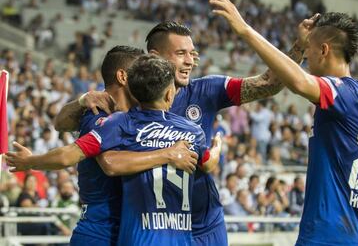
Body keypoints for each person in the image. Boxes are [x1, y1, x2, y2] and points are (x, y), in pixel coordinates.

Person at [54, 20, 305, 246]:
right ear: (155, 56)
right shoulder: (129, 99)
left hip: (205, 223)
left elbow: (268, 84)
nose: (190, 61)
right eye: (181, 53)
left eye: (192, 54)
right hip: (154, 226)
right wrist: (83, 100)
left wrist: (299, 47)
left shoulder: (206, 90)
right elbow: (62, 124)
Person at [208, 0, 358, 245]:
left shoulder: (340, 91)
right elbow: (284, 80)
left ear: (324, 49)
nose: (305, 58)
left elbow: (297, 81)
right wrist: (299, 45)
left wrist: (244, 30)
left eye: (308, 50)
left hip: (328, 234)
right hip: (353, 230)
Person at [7, 54, 221, 245]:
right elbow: (107, 162)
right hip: (104, 229)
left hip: (132, 231)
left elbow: (68, 152)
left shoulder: (120, 122)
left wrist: (31, 161)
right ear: (123, 77)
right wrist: (171, 154)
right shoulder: (101, 115)